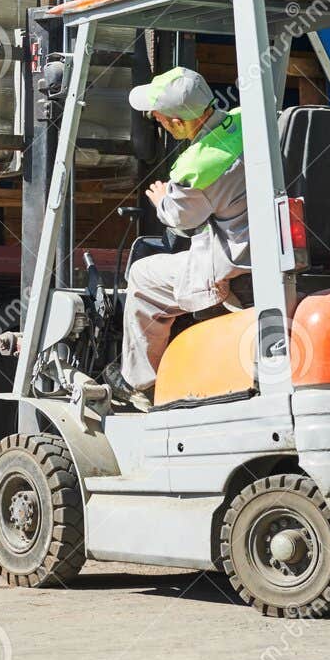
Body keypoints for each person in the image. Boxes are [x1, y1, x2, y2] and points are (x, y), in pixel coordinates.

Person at [102, 67, 250, 411]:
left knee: (143, 274)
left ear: (177, 123)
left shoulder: (198, 167)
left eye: (159, 119)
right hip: (277, 245)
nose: (158, 123)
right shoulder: (250, 119)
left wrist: (162, 199)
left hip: (239, 262)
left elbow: (182, 222)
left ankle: (139, 382)